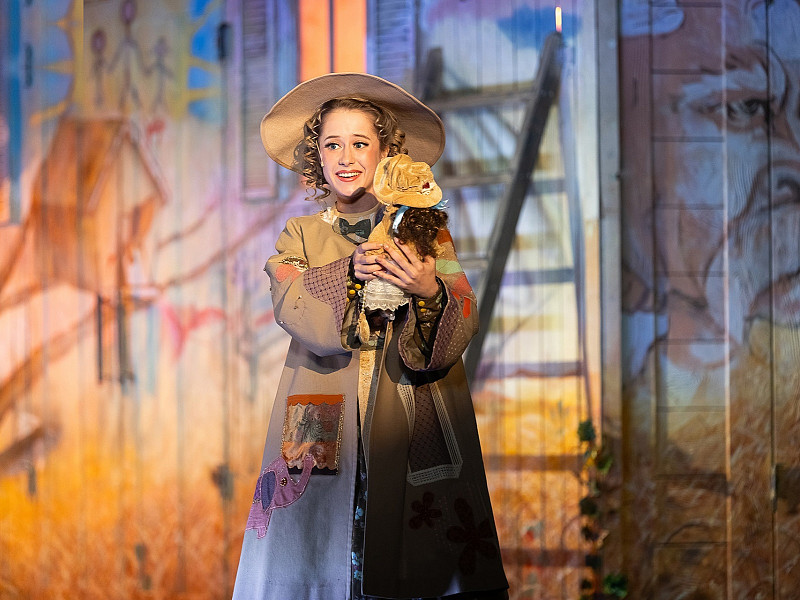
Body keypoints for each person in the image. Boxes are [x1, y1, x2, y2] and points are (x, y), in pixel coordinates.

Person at [232, 72, 508, 600]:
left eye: (360, 143)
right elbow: (291, 304)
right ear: (316, 156)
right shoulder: (301, 235)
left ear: (386, 153)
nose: (346, 156)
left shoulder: (423, 231)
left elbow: (462, 312)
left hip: (407, 414)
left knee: (411, 543)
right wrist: (348, 273)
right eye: (332, 144)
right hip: (322, 416)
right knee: (320, 541)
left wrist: (428, 289)